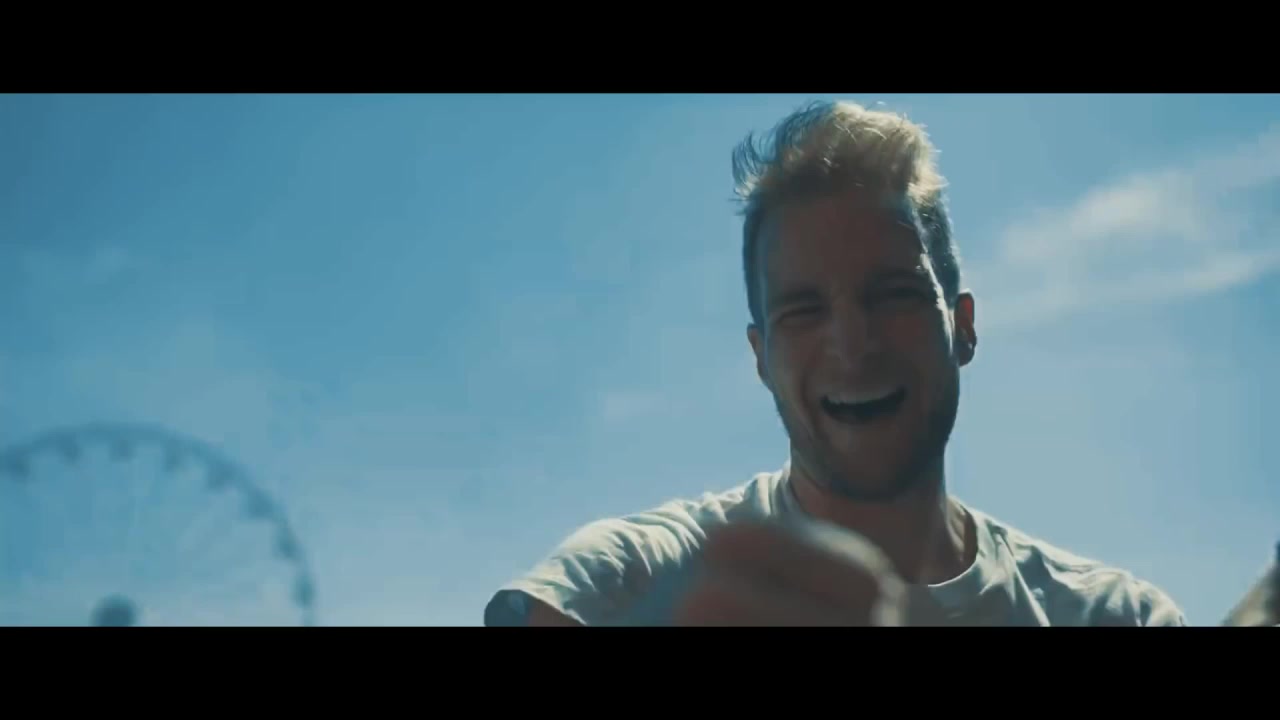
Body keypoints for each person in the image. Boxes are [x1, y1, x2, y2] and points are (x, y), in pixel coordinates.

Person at [483, 99, 1188, 627]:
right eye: (803, 310)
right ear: (761, 357)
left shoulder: (1115, 616)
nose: (853, 344)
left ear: (964, 327)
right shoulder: (629, 577)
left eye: (895, 293)